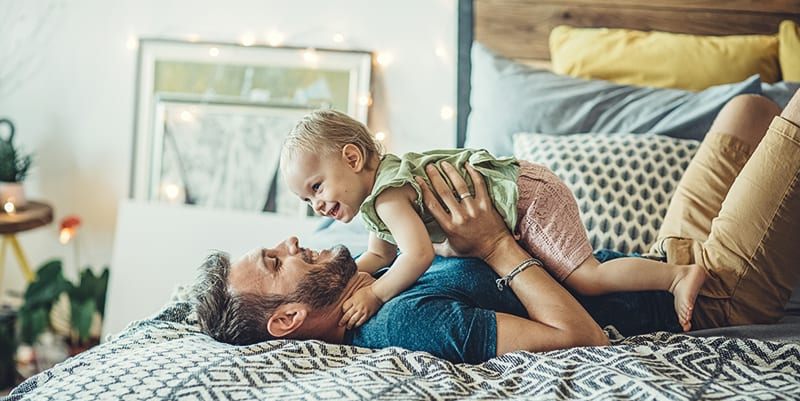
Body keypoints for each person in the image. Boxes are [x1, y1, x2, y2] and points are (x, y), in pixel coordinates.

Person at [193, 90, 800, 364]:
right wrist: (495, 245)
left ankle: (676, 267)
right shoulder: (402, 320)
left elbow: (386, 252)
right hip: (715, 301)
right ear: (287, 320)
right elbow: (584, 341)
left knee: (747, 109)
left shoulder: (371, 270)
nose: (293, 238)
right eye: (276, 262)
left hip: (659, 257)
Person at [279, 110, 707, 332]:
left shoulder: (389, 195)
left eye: (316, 187)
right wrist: (349, 275)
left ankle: (675, 275)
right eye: (305, 199)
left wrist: (377, 295)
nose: (314, 205)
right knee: (567, 276)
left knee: (586, 278)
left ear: (352, 159)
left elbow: (418, 254)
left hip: (527, 196)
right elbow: (379, 253)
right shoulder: (378, 202)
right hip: (521, 194)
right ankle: (667, 271)